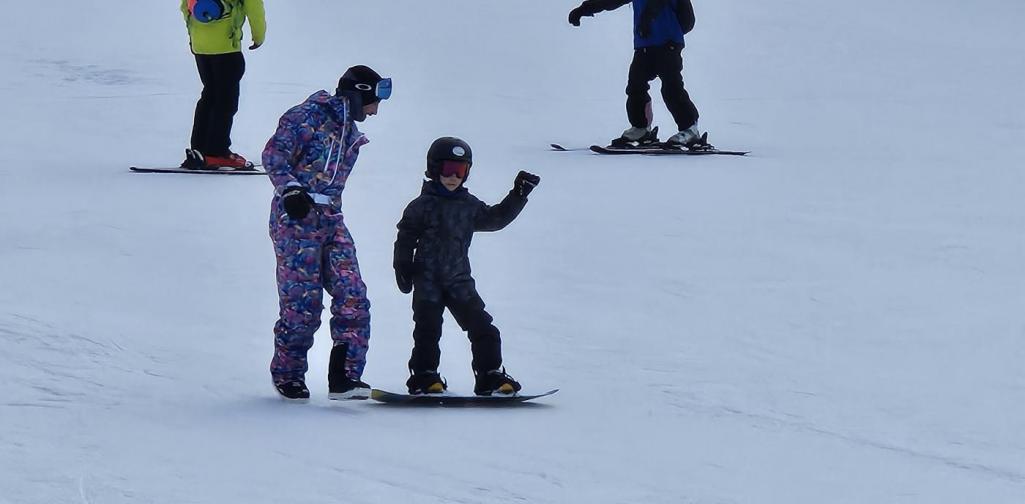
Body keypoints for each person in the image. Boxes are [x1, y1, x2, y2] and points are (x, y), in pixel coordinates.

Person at [262, 65, 392, 401]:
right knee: (303, 302)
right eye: (374, 100)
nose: (375, 110)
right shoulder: (308, 116)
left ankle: (344, 377)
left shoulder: (350, 130)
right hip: (296, 219)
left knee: (353, 295)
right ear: (359, 92)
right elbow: (274, 154)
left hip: (331, 217)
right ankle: (288, 374)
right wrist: (290, 190)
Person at [393, 137, 541, 396]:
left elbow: (496, 219)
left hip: (459, 280)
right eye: (448, 169)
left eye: (460, 171)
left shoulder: (468, 206)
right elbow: (405, 236)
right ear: (433, 168)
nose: (453, 177)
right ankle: (424, 376)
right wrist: (402, 264)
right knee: (428, 330)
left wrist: (518, 195)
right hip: (427, 280)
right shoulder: (421, 206)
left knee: (483, 327)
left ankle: (489, 375)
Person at [568, 0, 706, 147]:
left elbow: (684, 18)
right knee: (635, 85)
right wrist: (584, 9)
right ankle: (641, 129)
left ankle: (690, 130)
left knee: (671, 87)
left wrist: (650, 17)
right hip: (644, 44)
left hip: (668, 42)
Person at [179, 0, 266, 170]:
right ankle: (216, 152)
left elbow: (185, 6)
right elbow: (254, 8)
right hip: (226, 46)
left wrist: (194, 35)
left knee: (209, 95)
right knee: (225, 101)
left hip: (201, 46)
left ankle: (199, 150)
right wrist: (258, 36)